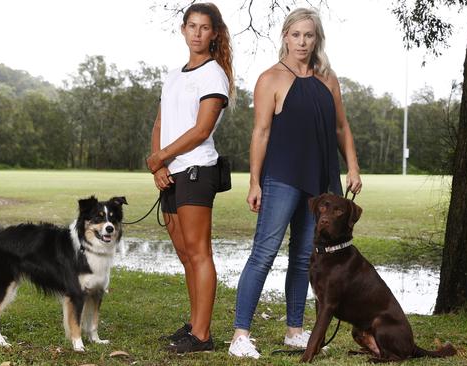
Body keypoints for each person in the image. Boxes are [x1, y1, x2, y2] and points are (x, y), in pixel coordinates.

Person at [228, 8, 362, 359]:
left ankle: (295, 330)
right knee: (264, 253)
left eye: (309, 35)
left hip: (321, 182)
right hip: (282, 177)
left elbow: (340, 128)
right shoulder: (270, 78)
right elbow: (260, 132)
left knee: (305, 257)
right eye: (296, 35)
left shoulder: (327, 78)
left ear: (317, 39)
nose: (302, 42)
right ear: (285, 36)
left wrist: (353, 167)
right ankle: (240, 334)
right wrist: (254, 181)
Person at [145, 2, 234, 354]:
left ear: (213, 33)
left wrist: (162, 157)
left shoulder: (214, 74)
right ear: (183, 29)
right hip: (171, 173)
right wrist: (159, 166)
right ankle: (195, 324)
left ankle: (202, 335)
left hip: (197, 170)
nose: (197, 33)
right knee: (184, 253)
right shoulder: (173, 74)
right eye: (191, 26)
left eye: (204, 28)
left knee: (199, 253)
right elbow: (159, 124)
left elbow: (201, 130)